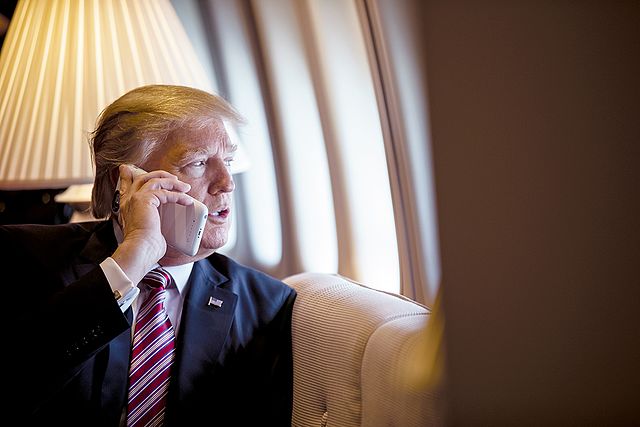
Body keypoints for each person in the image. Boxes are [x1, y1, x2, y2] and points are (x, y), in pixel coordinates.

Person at [3, 85, 296, 426]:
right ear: (125, 181)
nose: (227, 183)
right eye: (198, 163)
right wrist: (134, 256)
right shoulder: (25, 255)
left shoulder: (266, 303)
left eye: (228, 161)